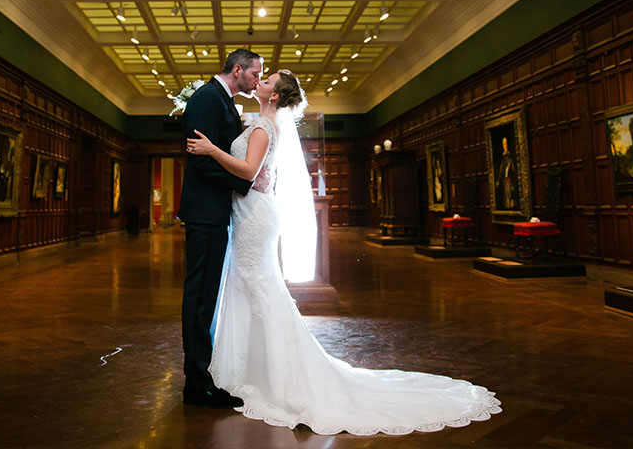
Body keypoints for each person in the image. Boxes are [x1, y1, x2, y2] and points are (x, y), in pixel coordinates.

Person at [187, 69, 501, 435]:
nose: (260, 82)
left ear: (275, 96)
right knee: (252, 287)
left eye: (268, 80)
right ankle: (252, 370)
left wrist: (210, 149)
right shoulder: (263, 123)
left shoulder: (263, 127)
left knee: (257, 287)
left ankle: (273, 376)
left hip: (254, 216)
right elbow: (257, 172)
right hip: (251, 211)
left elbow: (247, 170)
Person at [176, 48, 260, 409]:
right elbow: (198, 161)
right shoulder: (209, 98)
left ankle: (200, 376)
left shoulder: (222, 100)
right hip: (204, 213)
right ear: (237, 70)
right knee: (199, 297)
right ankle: (197, 385)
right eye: (255, 73)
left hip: (212, 211)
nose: (257, 81)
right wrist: (242, 184)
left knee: (206, 297)